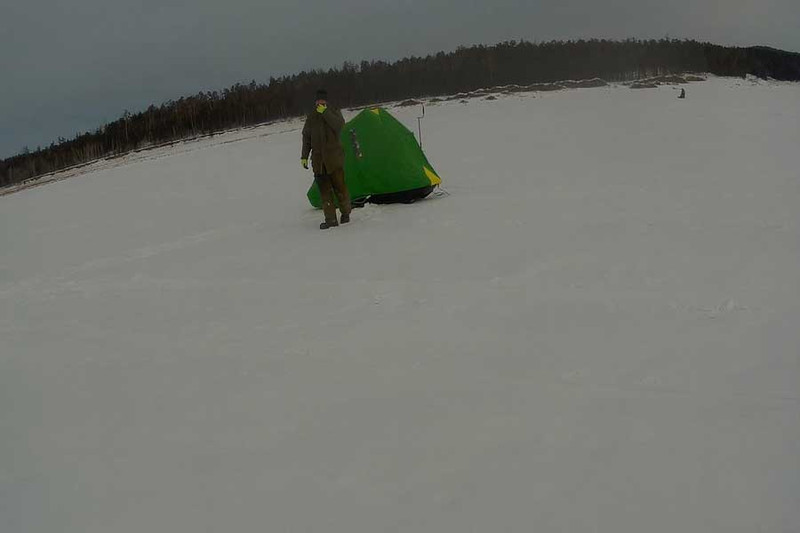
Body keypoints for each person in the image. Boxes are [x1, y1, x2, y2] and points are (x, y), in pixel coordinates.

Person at [301, 89, 352, 229]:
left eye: (322, 101)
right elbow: (306, 138)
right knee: (325, 193)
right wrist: (304, 156)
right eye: (318, 101)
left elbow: (340, 125)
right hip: (319, 163)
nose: (320, 103)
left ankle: (346, 213)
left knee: (340, 189)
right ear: (315, 102)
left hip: (334, 160)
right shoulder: (311, 117)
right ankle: (330, 220)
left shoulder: (333, 112)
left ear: (326, 101)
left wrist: (325, 113)